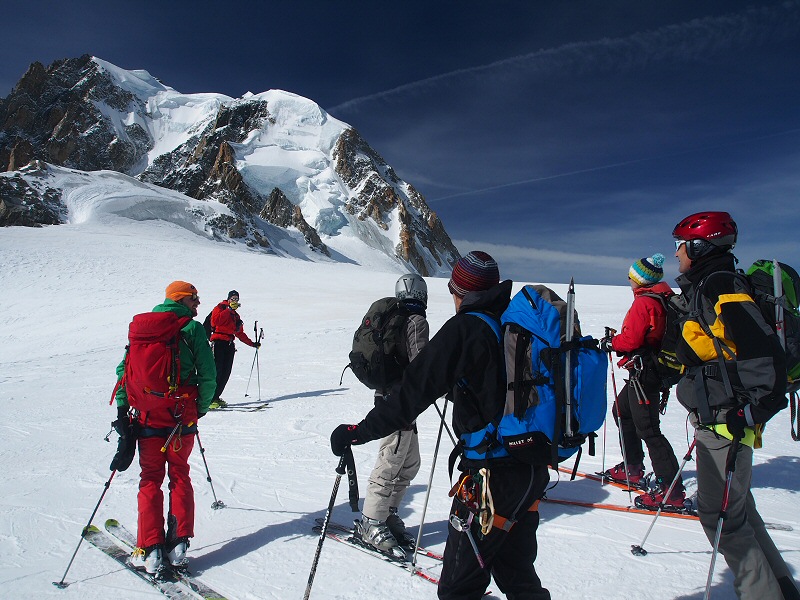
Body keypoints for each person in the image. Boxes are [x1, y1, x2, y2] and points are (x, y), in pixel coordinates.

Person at [331, 252, 551, 600]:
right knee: (517, 577)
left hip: (490, 481)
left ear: (458, 290)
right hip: (531, 471)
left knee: (457, 591)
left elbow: (410, 394)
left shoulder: (466, 329)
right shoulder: (514, 324)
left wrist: (357, 432)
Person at [672, 212, 799, 600]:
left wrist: (755, 407)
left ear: (699, 246)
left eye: (681, 244)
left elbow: (759, 347)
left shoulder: (719, 284)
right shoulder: (712, 284)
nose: (676, 253)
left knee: (720, 518)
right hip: (725, 417)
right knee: (740, 513)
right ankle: (782, 587)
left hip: (727, 422)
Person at [113, 281, 216, 574]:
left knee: (150, 478)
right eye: (194, 298)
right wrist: (200, 408)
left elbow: (125, 371)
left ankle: (151, 548)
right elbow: (208, 374)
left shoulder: (143, 329)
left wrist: (122, 407)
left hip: (147, 417)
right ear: (181, 299)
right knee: (180, 475)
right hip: (182, 418)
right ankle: (178, 544)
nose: (198, 303)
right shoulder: (192, 329)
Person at [599, 253, 686, 510]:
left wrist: (611, 343)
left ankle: (671, 490)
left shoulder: (644, 303)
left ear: (640, 279)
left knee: (648, 429)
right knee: (621, 411)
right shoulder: (664, 298)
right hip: (650, 370)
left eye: (631, 276)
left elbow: (631, 340)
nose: (629, 280)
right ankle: (632, 467)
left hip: (645, 373)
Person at [355, 274, 430, 557]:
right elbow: (423, 364)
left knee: (409, 462)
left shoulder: (395, 318)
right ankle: (371, 521)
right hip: (398, 402)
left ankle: (386, 513)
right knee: (391, 461)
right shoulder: (415, 321)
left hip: (393, 398)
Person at [209, 290, 259, 409]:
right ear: (228, 299)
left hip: (229, 344)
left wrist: (252, 344)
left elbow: (240, 333)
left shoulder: (236, 316)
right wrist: (228, 310)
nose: (234, 301)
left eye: (236, 299)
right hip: (219, 342)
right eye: (233, 299)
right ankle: (210, 398)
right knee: (217, 371)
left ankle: (216, 397)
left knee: (226, 372)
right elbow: (215, 321)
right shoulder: (220, 308)